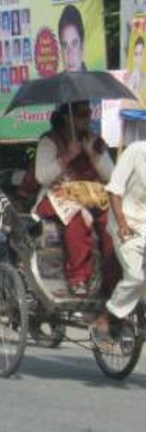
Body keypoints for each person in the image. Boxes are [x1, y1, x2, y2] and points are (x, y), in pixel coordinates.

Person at [31, 102, 115, 298]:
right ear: (68, 117)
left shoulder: (94, 141)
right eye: (82, 115)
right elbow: (41, 177)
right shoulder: (50, 141)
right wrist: (67, 156)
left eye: (89, 114)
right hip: (57, 195)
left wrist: (93, 156)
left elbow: (112, 175)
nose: (87, 119)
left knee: (112, 221)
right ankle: (78, 279)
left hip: (91, 195)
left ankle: (112, 280)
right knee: (76, 217)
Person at [92, 135, 146, 347]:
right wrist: (122, 223)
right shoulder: (136, 151)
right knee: (135, 276)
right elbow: (114, 190)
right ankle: (106, 318)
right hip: (126, 221)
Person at [58, 4, 87, 73]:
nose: (69, 55)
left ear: (82, 47)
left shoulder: (94, 82)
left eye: (74, 44)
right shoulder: (56, 83)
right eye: (65, 46)